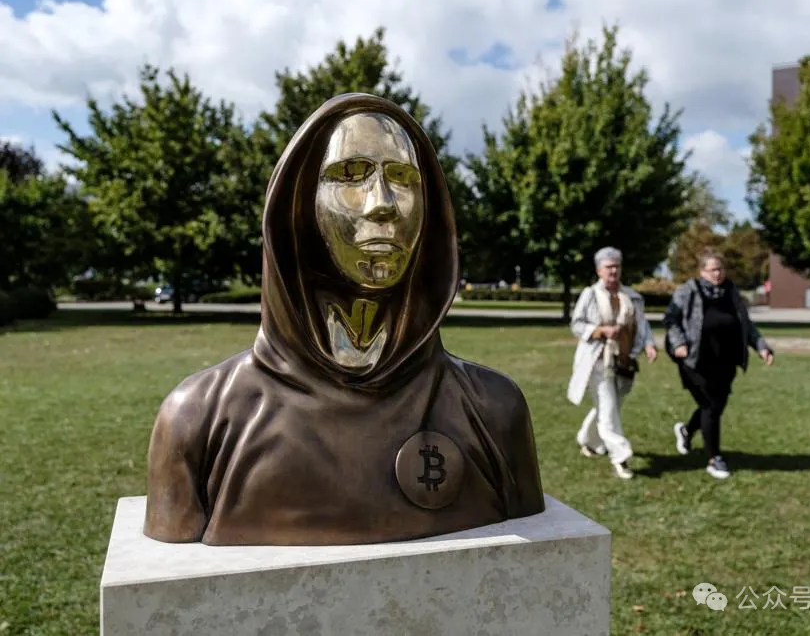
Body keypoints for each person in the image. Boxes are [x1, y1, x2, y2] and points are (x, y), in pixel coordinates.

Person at [143, 93, 545, 546]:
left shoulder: (492, 411)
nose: (383, 203)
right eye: (351, 175)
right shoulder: (199, 419)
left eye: (403, 178)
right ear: (298, 207)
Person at [664, 249, 774, 479]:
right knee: (711, 406)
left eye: (720, 269)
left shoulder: (732, 293)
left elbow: (746, 325)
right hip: (695, 359)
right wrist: (679, 344)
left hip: (726, 361)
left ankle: (686, 430)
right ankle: (714, 459)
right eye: (713, 269)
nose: (717, 273)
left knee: (714, 407)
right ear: (702, 271)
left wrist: (762, 346)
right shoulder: (688, 291)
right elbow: (671, 320)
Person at [567, 247, 657, 480]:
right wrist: (599, 330)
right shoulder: (590, 294)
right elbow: (576, 324)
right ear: (599, 270)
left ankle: (587, 440)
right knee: (608, 411)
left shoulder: (631, 297)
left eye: (617, 266)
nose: (613, 270)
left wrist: (648, 345)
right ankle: (621, 456)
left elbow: (642, 325)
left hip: (624, 361)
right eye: (609, 267)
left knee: (609, 407)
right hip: (597, 362)